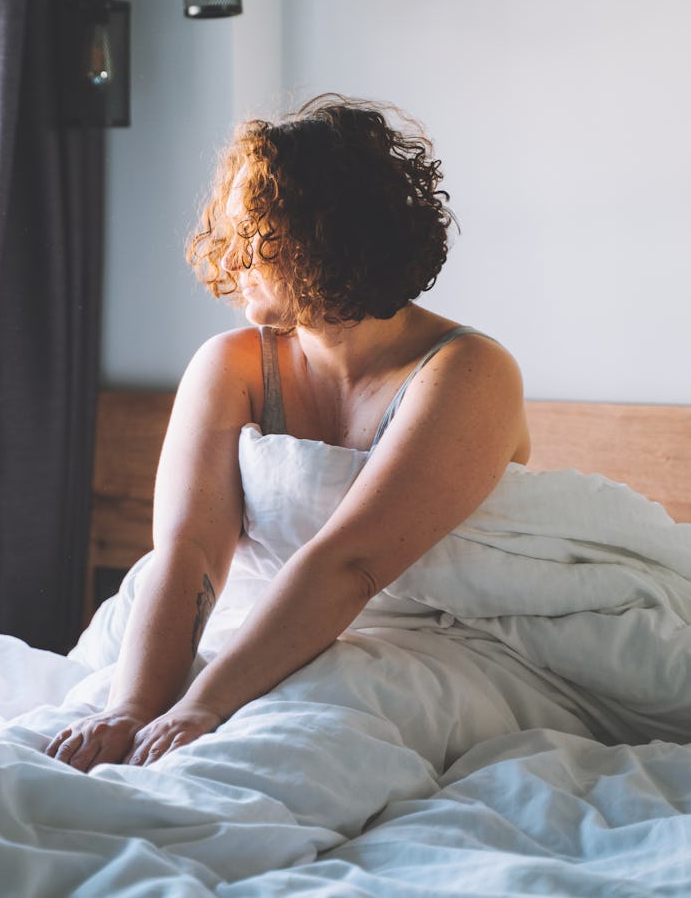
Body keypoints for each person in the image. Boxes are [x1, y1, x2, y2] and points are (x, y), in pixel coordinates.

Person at [46, 93, 531, 772]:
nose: (230, 252)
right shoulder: (232, 365)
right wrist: (134, 708)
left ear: (322, 236)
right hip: (259, 615)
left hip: (420, 637)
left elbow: (354, 563)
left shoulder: (468, 371)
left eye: (254, 230)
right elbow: (187, 552)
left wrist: (205, 707)